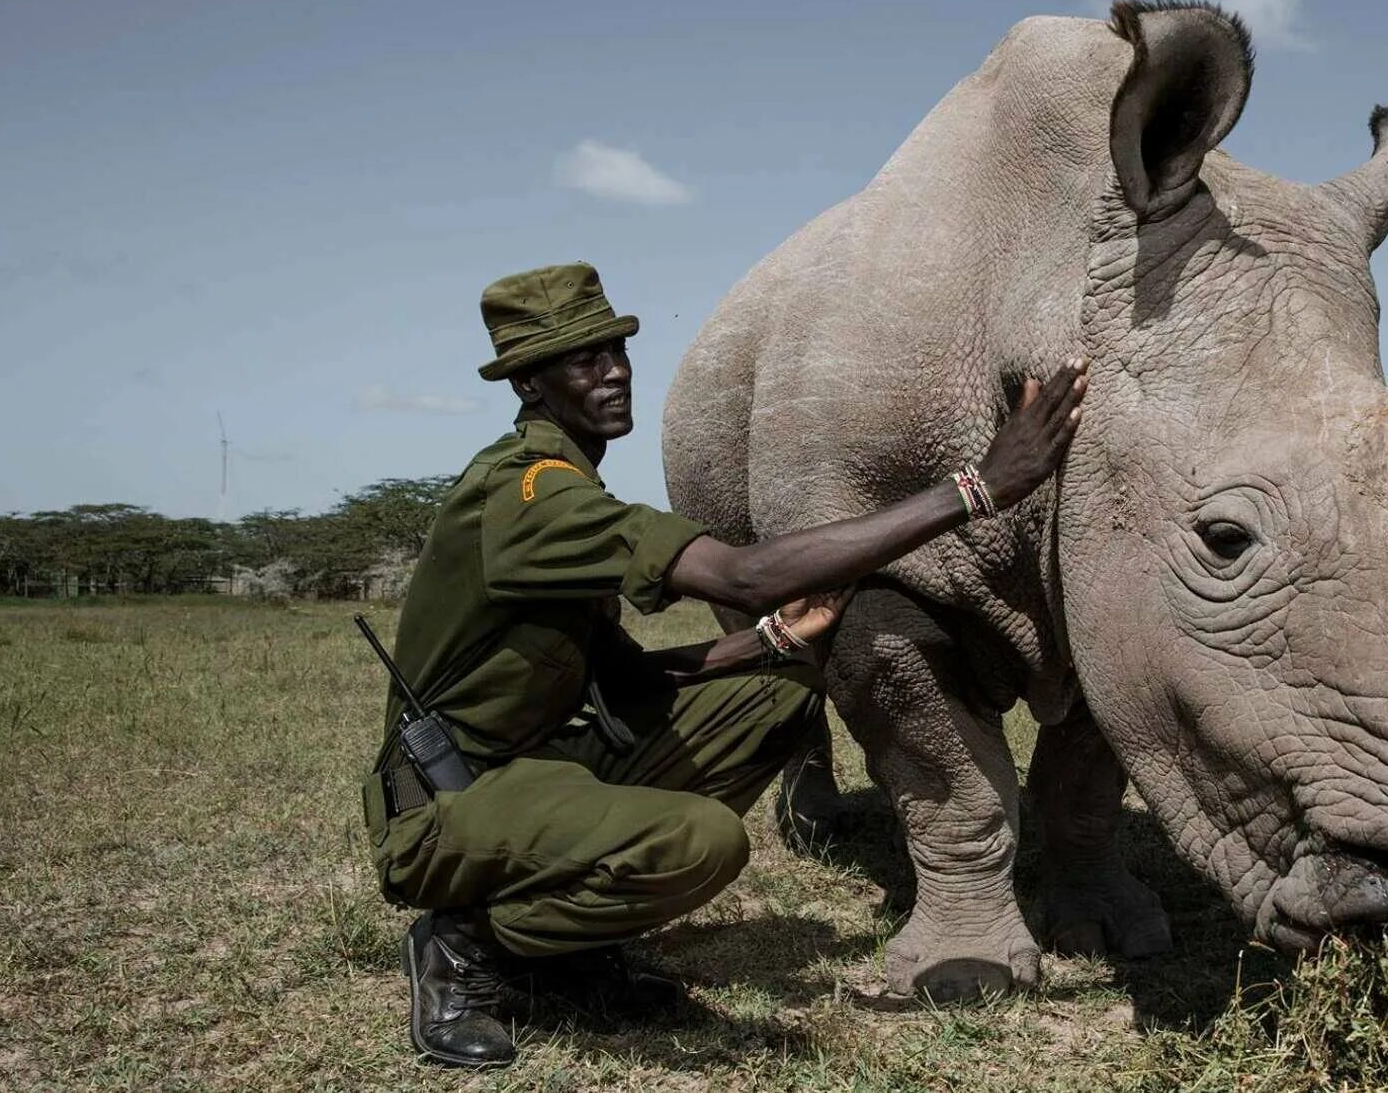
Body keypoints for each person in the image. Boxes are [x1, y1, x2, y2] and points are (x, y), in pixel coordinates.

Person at [363, 261, 1088, 1068]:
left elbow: (628, 681)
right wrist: (980, 486)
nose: (613, 373)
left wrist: (772, 641)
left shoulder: (570, 487)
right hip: (446, 805)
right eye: (583, 361)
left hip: (535, 766)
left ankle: (571, 942)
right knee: (700, 843)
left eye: (616, 351)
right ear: (530, 385)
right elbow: (745, 575)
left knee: (777, 698)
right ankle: (466, 946)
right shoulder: (534, 496)